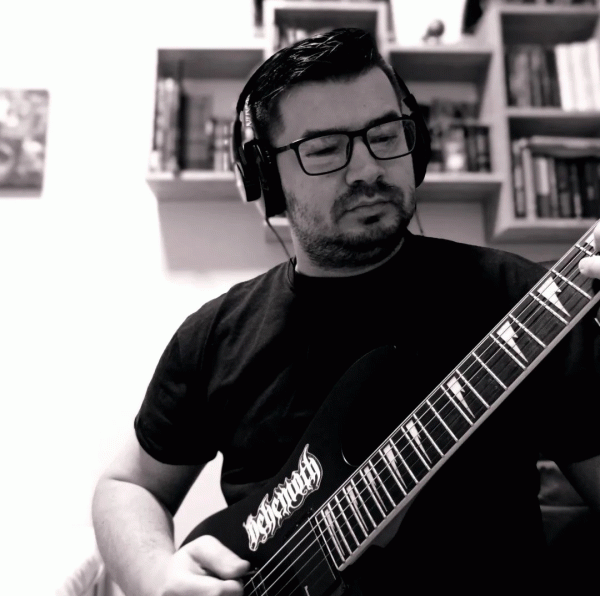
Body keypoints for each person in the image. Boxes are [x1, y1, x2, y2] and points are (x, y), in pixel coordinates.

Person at [92, 28, 600, 596]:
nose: (366, 169)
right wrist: (154, 575)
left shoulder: (523, 300)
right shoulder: (213, 336)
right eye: (325, 149)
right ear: (266, 179)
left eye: (385, 136)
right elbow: (129, 485)